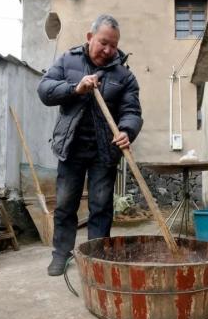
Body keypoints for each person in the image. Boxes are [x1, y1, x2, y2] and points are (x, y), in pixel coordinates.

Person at [37, 14, 143, 276]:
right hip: (71, 148)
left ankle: (97, 258)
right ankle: (61, 254)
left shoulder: (124, 76)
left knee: (101, 207)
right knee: (65, 205)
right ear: (89, 37)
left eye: (113, 45)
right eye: (103, 42)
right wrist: (75, 88)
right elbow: (45, 90)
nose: (108, 50)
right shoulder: (68, 60)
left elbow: (132, 112)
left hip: (104, 152)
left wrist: (127, 131)